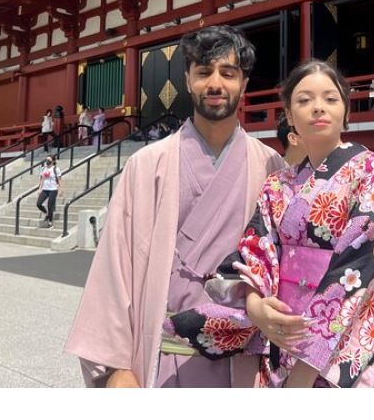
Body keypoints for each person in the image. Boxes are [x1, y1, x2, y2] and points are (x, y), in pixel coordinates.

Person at [165, 60, 374, 387]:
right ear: (289, 115)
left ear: (346, 112)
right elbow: (254, 250)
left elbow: (366, 268)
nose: (317, 108)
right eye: (304, 100)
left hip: (340, 351)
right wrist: (256, 308)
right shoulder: (278, 184)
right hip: (280, 340)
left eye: (330, 98)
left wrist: (306, 369)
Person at [65, 25, 285, 388]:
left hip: (247, 362)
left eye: (229, 74)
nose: (215, 84)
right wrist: (115, 367)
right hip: (164, 358)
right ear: (187, 80)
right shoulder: (148, 164)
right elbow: (115, 264)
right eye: (203, 72)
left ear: (244, 84)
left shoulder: (271, 167)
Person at [36, 155, 62, 229]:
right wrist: (39, 188)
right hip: (45, 189)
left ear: (53, 161)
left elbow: (59, 179)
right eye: (46, 159)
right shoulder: (43, 168)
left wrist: (60, 190)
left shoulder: (56, 169)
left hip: (53, 189)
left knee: (50, 205)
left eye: (49, 160)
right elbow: (42, 179)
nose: (47, 161)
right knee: (38, 203)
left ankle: (50, 222)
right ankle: (46, 213)